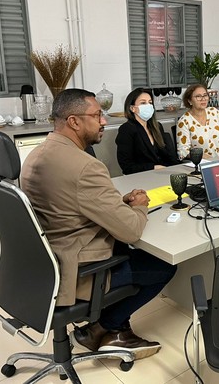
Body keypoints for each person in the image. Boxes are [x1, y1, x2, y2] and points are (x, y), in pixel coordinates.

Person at [21, 89, 177, 360]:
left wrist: (117, 203)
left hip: (45, 261)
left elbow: (70, 202)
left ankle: (106, 326)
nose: (104, 121)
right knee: (163, 266)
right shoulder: (85, 166)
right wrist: (139, 205)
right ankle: (105, 327)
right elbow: (130, 230)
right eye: (96, 115)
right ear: (74, 121)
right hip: (80, 269)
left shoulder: (36, 154)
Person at [116, 88, 180, 175]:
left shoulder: (157, 126)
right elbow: (127, 166)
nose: (148, 106)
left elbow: (168, 156)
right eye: (143, 103)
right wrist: (153, 167)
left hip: (163, 173)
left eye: (150, 103)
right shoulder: (127, 129)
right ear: (132, 108)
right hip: (141, 176)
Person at [176, 83, 219, 159]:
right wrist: (199, 155)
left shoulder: (214, 112)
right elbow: (183, 151)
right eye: (198, 96)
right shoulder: (184, 121)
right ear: (189, 101)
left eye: (205, 95)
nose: (203, 99)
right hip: (201, 161)